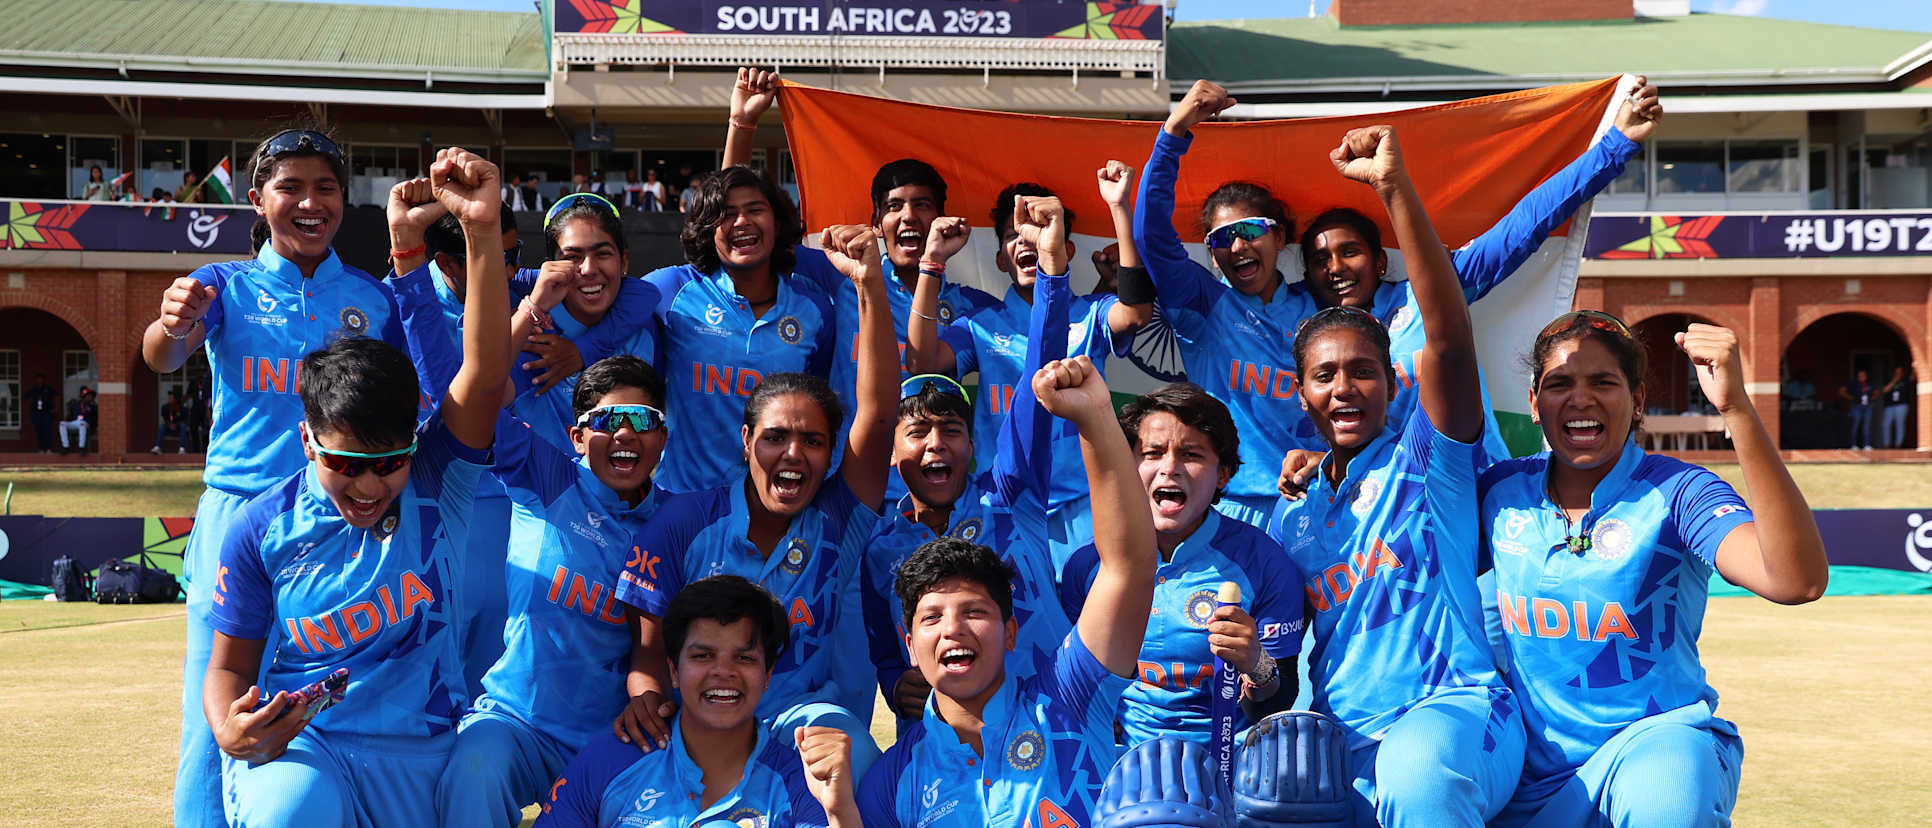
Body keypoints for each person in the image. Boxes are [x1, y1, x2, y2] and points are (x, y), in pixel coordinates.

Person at [1138, 78, 1663, 526]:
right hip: (1327, 508)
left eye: (1351, 252)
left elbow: (1522, 228)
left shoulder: (1429, 295)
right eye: (1321, 260)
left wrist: (1615, 147)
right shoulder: (1304, 324)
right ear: (1304, 269)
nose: (1336, 267)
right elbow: (1156, 247)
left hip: (1468, 497)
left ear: (1382, 262)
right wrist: (1174, 133)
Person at [201, 146, 511, 826]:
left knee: (480, 770)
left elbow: (485, 377)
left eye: (390, 460)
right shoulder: (261, 525)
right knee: (294, 809)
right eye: (345, 464)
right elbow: (229, 668)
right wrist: (228, 727)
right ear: (308, 441)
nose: (370, 485)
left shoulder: (438, 482)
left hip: (423, 754)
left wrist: (480, 232)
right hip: (309, 750)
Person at [140, 126, 410, 828]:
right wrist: (171, 324)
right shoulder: (223, 285)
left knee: (334, 700)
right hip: (240, 516)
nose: (309, 202)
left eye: (325, 188)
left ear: (344, 203)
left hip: (340, 518)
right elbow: (163, 357)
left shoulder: (373, 300)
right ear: (257, 200)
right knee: (217, 710)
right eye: (290, 187)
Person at [1264, 124, 1523, 826]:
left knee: (1418, 780)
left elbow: (1446, 336)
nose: (1345, 388)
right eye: (1325, 375)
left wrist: (1393, 188)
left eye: (1363, 372)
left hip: (1452, 716)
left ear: (1392, 384)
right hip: (1338, 740)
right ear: (1301, 394)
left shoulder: (1426, 460)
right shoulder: (1289, 514)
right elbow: (1278, 665)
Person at [1479, 312, 1827, 827]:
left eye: (1603, 382)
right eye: (1559, 384)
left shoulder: (1680, 492)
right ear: (1534, 403)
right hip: (1533, 774)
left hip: (1660, 744)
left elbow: (1795, 581)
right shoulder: (1500, 493)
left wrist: (1736, 409)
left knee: (1662, 801)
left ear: (1638, 399)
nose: (1580, 399)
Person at [613, 223, 896, 765]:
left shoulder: (839, 517)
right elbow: (647, 658)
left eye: (813, 441)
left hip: (801, 726)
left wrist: (870, 286)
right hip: (699, 728)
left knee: (852, 751)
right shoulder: (683, 521)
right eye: (775, 438)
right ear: (746, 443)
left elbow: (879, 416)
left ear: (833, 451)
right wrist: (647, 704)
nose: (793, 454)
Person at [856, 346, 1158, 827]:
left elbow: (1130, 566)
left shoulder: (1071, 698)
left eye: (974, 611)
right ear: (911, 645)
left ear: (1011, 631)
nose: (954, 629)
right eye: (932, 617)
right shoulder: (890, 783)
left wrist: (1096, 418)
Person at [860, 197, 1084, 728]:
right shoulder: (878, 548)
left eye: (952, 430)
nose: (937, 444)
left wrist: (1052, 272)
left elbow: (1039, 375)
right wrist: (895, 681)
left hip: (1054, 731)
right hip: (951, 754)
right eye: (918, 432)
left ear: (974, 445)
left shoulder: (1009, 499)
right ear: (893, 453)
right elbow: (884, 647)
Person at [906, 174, 1151, 564]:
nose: (1026, 240)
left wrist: (1120, 208)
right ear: (1001, 258)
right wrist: (932, 263)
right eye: (1013, 234)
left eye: (1037, 230)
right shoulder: (981, 325)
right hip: (1006, 506)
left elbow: (1137, 312)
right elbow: (920, 365)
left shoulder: (1091, 313)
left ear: (1065, 249)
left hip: (1083, 507)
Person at [1061, 381, 1303, 748]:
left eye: (1191, 454)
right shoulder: (1088, 566)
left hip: (1225, 769)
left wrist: (1257, 665)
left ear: (1223, 474)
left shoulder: (1264, 562)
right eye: (1153, 453)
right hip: (1118, 768)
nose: (1169, 469)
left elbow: (1278, 702)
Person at [534, 576, 864, 827]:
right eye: (703, 655)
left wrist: (839, 813)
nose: (723, 672)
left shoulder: (799, 783)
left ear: (767, 675)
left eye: (744, 658)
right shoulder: (610, 760)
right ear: (673, 671)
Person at [639, 165, 837, 494]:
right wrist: (578, 351)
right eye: (726, 214)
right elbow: (609, 301)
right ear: (707, 230)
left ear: (776, 221)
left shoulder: (814, 310)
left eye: (755, 210)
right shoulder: (673, 290)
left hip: (771, 509)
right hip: (682, 502)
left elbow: (820, 408)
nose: (742, 221)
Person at [1842, 368, 1876, 450]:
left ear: (1866, 376)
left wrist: (1871, 399)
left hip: (1867, 406)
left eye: (1863, 375)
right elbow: (1841, 391)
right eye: (1860, 375)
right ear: (1857, 376)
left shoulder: (1869, 384)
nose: (1862, 377)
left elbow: (1877, 392)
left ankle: (1867, 445)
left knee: (1866, 426)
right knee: (1855, 425)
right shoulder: (1853, 384)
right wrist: (1850, 398)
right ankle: (1853, 445)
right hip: (1856, 406)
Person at [1881, 364, 1912, 448]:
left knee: (1899, 424)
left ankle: (1898, 445)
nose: (1898, 374)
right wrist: (1894, 381)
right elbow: (1884, 390)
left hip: (1902, 405)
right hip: (1889, 406)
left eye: (1899, 372)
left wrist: (1915, 367)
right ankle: (1886, 445)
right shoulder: (1889, 380)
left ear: (1902, 373)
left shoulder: (1905, 380)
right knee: (1885, 424)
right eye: (1896, 372)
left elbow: (1913, 377)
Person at [58, 386, 96, 454]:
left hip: (85, 423)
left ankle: (81, 448)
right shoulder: (76, 404)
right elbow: (69, 415)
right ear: (84, 396)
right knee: (62, 423)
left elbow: (94, 418)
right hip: (75, 422)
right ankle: (65, 447)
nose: (90, 397)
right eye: (88, 395)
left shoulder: (92, 406)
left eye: (91, 396)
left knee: (82, 424)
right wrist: (67, 416)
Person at [26, 374, 58, 453]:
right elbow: (25, 397)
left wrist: (55, 409)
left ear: (44, 380)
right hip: (37, 413)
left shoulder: (48, 389)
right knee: (39, 431)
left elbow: (57, 397)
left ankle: (48, 448)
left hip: (47, 412)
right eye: (38, 379)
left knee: (47, 430)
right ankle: (41, 448)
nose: (39, 381)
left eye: (41, 379)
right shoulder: (33, 389)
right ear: (36, 380)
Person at [152, 389, 190, 453]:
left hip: (178, 427)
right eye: (169, 397)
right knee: (162, 426)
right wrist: (169, 424)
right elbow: (165, 418)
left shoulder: (183, 409)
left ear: (175, 399)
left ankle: (182, 448)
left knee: (183, 426)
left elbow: (185, 420)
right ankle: (157, 447)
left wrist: (176, 424)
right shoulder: (165, 407)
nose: (169, 399)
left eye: (171, 398)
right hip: (168, 427)